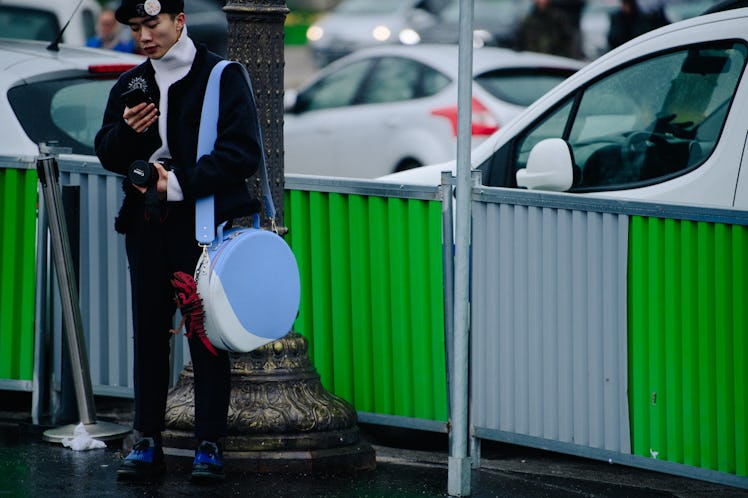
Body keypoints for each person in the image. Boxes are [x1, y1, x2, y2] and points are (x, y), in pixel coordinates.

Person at [94, 0, 264, 482]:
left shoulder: (221, 76)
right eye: (135, 28)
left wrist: (179, 182)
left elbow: (243, 153)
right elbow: (106, 150)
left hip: (204, 224)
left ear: (179, 22)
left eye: (153, 25)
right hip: (147, 225)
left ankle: (209, 444)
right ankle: (146, 439)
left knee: (205, 335)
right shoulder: (131, 83)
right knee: (148, 332)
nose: (144, 36)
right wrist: (128, 134)